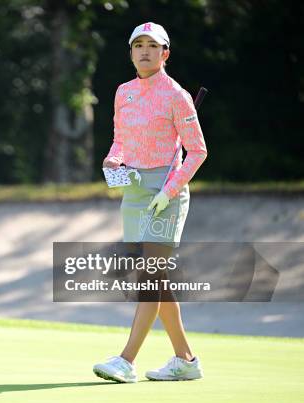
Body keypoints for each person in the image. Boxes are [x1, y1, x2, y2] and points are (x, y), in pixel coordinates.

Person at [92, 22, 208, 383]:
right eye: (138, 45)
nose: (144, 51)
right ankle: (185, 360)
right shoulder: (123, 92)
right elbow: (119, 142)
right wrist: (112, 162)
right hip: (136, 190)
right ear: (131, 52)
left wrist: (169, 191)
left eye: (152, 45)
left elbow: (198, 151)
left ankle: (126, 361)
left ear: (165, 53)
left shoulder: (177, 95)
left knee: (150, 276)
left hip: (167, 192)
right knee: (157, 279)